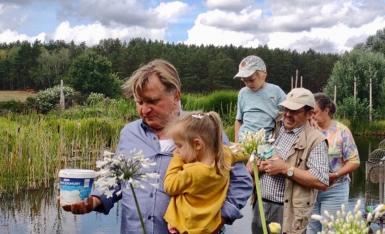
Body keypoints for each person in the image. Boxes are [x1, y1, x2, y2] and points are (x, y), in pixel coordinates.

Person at [62, 59, 253, 234]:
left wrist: (217, 221)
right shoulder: (129, 134)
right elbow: (116, 181)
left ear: (176, 95)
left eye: (153, 101)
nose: (144, 110)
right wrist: (93, 201)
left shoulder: (204, 131)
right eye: (139, 102)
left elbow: (241, 181)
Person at [251, 87, 330, 234]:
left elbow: (321, 181)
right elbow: (253, 159)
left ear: (309, 114)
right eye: (286, 108)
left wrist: (284, 169)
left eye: (294, 111)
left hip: (287, 211)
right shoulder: (273, 126)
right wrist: (258, 165)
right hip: (260, 204)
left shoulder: (316, 140)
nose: (287, 114)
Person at [164, 111, 248, 234]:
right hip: (208, 225)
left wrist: (176, 158)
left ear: (197, 144)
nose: (176, 150)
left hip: (186, 226)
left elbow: (169, 185)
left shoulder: (194, 172)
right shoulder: (224, 156)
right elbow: (240, 152)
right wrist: (249, 154)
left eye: (179, 146)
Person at [306, 93, 360, 234]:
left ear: (327, 110)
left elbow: (354, 161)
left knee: (331, 230)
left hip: (334, 189)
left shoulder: (342, 131)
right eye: (310, 113)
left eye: (315, 112)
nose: (312, 116)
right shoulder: (308, 130)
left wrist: (335, 175)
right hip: (310, 189)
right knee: (311, 230)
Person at [234, 55, 286, 142]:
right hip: (243, 140)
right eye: (244, 81)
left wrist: (309, 117)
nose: (248, 84)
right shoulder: (243, 93)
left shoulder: (275, 91)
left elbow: (292, 108)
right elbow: (238, 120)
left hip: (266, 141)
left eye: (251, 80)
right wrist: (236, 142)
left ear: (263, 75)